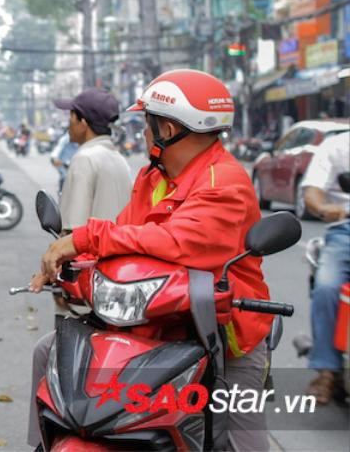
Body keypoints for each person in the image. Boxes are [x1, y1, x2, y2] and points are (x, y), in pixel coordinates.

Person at [26, 69, 274, 451]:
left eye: (147, 123)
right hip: (155, 321)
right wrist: (69, 262)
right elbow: (125, 235)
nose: (142, 133)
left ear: (169, 130)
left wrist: (83, 237)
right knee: (49, 350)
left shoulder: (223, 183)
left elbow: (176, 241)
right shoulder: (152, 177)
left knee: (240, 440)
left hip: (223, 333)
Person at [300, 130, 350, 404]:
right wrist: (325, 208)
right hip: (345, 231)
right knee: (327, 286)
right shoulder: (336, 146)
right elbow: (313, 193)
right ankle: (327, 371)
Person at [51, 88, 131, 229]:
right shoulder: (120, 159)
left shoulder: (85, 158)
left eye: (71, 116)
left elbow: (74, 228)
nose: (68, 123)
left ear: (83, 124)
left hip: (90, 249)